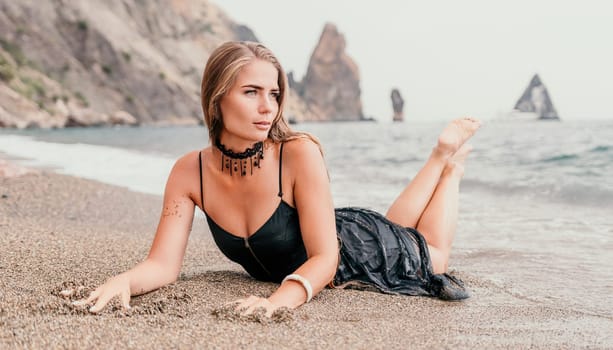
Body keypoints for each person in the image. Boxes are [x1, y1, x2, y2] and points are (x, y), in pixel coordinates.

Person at [78, 41, 481, 316]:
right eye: (251, 92)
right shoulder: (189, 172)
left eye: (273, 94)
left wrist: (280, 300)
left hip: (349, 253)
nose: (267, 107)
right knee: (395, 228)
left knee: (432, 253)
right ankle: (441, 159)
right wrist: (123, 283)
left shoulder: (297, 151)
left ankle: (450, 164)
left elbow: (325, 257)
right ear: (217, 98)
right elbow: (163, 265)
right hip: (335, 229)